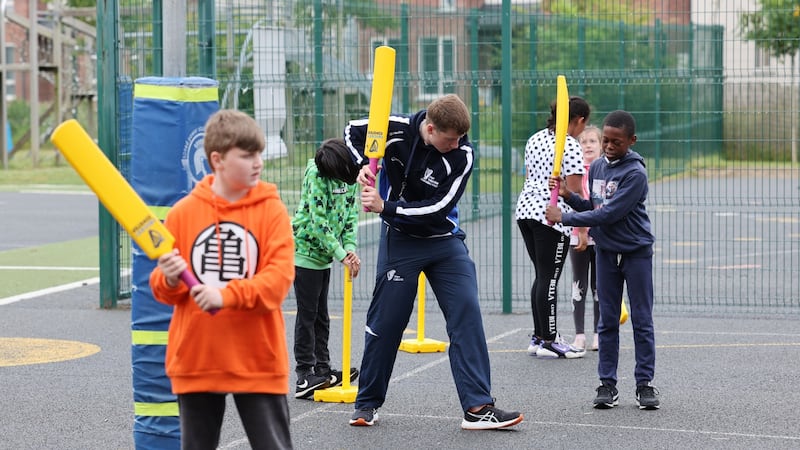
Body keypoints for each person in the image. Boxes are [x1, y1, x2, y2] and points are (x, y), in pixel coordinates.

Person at [344, 94, 523, 430]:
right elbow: (351, 131)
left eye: (459, 139)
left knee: (467, 315)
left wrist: (386, 207)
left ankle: (477, 408)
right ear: (430, 128)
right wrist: (359, 170)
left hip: (444, 242)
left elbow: (437, 208)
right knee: (386, 324)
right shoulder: (394, 128)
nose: (457, 144)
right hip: (400, 242)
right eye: (450, 139)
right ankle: (366, 404)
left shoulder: (463, 155)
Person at [150, 109, 295, 449]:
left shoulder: (272, 211)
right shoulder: (183, 214)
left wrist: (225, 295)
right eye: (247, 156)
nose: (257, 162)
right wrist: (170, 279)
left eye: (259, 153)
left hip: (257, 358)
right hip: (197, 357)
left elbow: (278, 281)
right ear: (217, 159)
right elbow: (162, 289)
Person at [545, 110, 659, 411]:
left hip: (635, 253)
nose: (608, 146)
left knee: (642, 321)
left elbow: (609, 214)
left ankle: (644, 384)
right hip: (606, 253)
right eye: (605, 140)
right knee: (607, 320)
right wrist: (568, 195)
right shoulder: (596, 167)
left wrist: (564, 217)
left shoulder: (635, 174)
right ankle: (607, 384)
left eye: (616, 142)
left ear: (631, 141)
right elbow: (593, 205)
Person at [515, 95, 591, 359]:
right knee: (549, 278)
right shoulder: (569, 145)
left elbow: (530, 175)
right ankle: (549, 339)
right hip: (551, 216)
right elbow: (573, 189)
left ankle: (539, 336)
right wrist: (582, 227)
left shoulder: (535, 138)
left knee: (542, 274)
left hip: (525, 209)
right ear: (579, 121)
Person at [292, 138, 361, 399]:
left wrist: (350, 246)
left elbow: (351, 213)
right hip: (306, 253)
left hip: (327, 255)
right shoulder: (317, 175)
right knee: (307, 315)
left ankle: (323, 368)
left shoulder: (349, 172)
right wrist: (342, 255)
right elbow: (318, 222)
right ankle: (303, 374)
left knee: (322, 315)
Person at [570, 125, 602, 351]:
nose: (588, 145)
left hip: (600, 236)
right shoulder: (575, 169)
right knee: (578, 284)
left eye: (593, 141)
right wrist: (580, 229)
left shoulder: (604, 170)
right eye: (584, 141)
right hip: (577, 235)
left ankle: (599, 333)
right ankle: (579, 334)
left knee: (599, 286)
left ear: (601, 145)